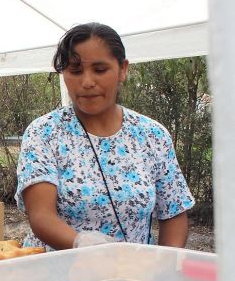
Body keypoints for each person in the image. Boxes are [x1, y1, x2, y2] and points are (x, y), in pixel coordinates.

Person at [16, 22, 194, 250]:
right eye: (75, 71)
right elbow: (41, 216)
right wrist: (80, 243)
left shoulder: (152, 135)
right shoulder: (44, 133)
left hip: (133, 277)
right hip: (59, 276)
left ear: (123, 70)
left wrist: (163, 266)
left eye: (100, 70)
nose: (87, 82)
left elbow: (174, 212)